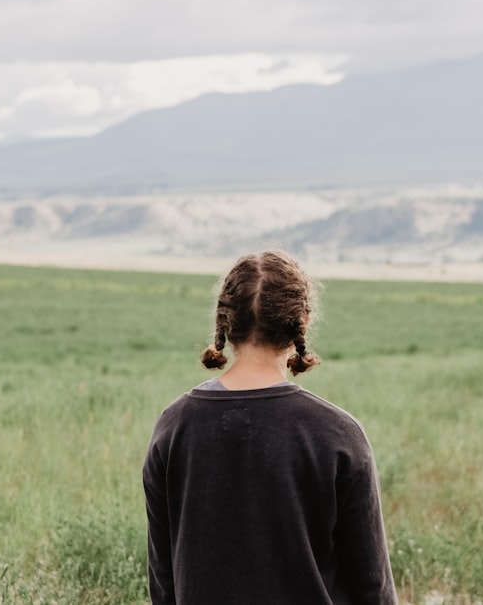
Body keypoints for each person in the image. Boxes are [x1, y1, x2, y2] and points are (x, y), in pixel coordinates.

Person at [142, 251, 397, 604]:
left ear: (224, 321)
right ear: (303, 323)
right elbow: (373, 586)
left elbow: (162, 579)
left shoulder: (174, 427)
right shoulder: (337, 434)